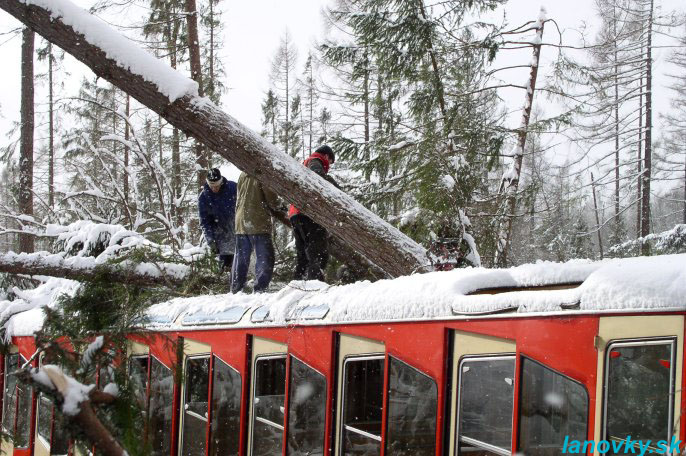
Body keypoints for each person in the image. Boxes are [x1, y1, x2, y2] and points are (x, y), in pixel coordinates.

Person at [288, 144, 338, 282]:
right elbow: (318, 176)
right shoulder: (315, 161)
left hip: (296, 212)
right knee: (318, 252)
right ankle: (315, 285)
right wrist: (336, 187)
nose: (329, 166)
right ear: (327, 156)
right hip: (309, 213)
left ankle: (297, 284)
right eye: (330, 162)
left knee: (303, 256)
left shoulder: (305, 165)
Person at [231, 171, 280, 293]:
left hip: (241, 221)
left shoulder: (243, 173)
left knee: (241, 258)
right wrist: (281, 207)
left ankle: (237, 288)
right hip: (257, 220)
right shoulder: (263, 173)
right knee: (265, 256)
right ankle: (260, 288)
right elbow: (272, 199)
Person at [198, 168, 237, 272]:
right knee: (224, 266)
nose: (214, 189)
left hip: (237, 230)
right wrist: (210, 240)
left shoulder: (233, 188)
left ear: (221, 181)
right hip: (220, 234)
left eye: (216, 186)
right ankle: (226, 281)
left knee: (239, 262)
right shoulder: (204, 197)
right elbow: (204, 221)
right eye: (212, 186)